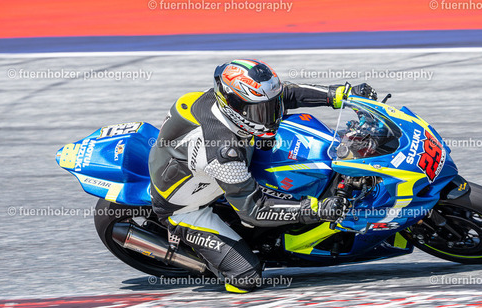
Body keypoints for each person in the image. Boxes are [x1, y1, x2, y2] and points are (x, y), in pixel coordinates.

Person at [148, 59, 376, 293]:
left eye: (272, 107)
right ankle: (207, 258)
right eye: (262, 111)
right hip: (187, 208)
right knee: (246, 279)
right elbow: (253, 210)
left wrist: (342, 95)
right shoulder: (223, 152)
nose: (272, 116)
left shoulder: (231, 101)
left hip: (210, 163)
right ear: (234, 107)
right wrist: (316, 210)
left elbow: (286, 94)